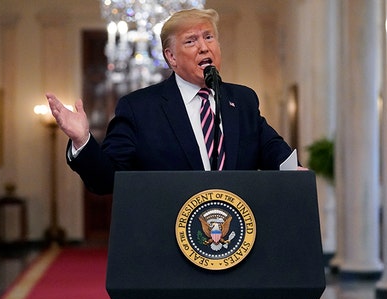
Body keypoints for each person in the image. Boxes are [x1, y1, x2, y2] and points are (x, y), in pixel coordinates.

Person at [46, 8, 298, 195]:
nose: (203, 48)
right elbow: (106, 180)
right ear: (171, 57)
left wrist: (295, 173)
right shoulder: (139, 108)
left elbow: (271, 149)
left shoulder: (242, 100)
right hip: (169, 243)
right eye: (191, 41)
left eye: (209, 37)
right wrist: (82, 140)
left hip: (235, 237)